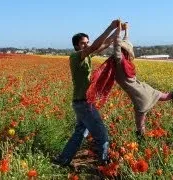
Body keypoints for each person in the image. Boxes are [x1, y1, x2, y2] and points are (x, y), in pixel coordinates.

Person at [87, 21, 173, 139]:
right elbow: (124, 42)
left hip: (140, 98)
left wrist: (118, 29)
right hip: (146, 89)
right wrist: (126, 29)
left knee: (140, 126)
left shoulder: (118, 63)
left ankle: (142, 143)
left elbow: (117, 46)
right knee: (167, 96)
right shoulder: (127, 63)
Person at [52, 19, 120, 167]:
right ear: (76, 46)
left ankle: (63, 159)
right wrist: (110, 27)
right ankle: (104, 165)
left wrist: (118, 30)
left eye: (87, 42)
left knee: (79, 133)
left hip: (81, 103)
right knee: (102, 135)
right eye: (83, 43)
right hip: (84, 103)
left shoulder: (87, 56)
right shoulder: (76, 57)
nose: (87, 45)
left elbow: (105, 44)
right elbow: (95, 46)